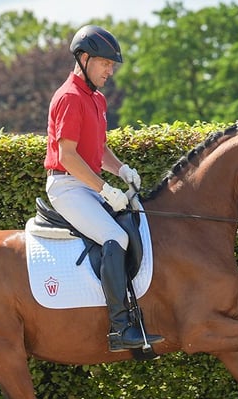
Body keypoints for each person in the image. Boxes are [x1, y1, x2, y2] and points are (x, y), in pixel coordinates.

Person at [44, 24, 163, 352]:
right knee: (117, 237)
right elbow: (68, 157)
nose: (110, 71)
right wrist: (103, 188)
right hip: (67, 187)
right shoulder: (69, 97)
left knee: (134, 221)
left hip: (86, 184)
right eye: (105, 63)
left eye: (112, 65)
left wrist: (121, 169)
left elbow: (98, 149)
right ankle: (119, 328)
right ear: (83, 58)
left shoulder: (95, 98)